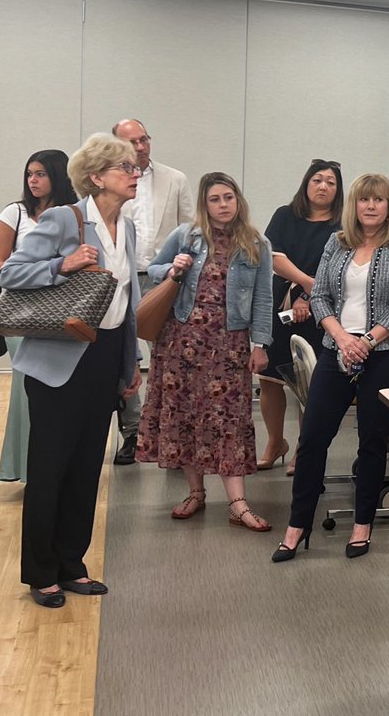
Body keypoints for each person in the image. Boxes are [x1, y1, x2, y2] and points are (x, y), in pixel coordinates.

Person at [0, 133, 142, 608]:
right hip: (60, 359)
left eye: (135, 166)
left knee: (85, 468)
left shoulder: (129, 226)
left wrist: (129, 363)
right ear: (97, 177)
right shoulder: (64, 218)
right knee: (50, 466)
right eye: (125, 167)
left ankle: (71, 564)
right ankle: (41, 573)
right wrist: (63, 263)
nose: (135, 172)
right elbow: (10, 272)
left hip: (104, 355)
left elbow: (126, 302)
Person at [272, 173, 389, 563]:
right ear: (354, 206)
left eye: (379, 200)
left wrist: (367, 341)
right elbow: (318, 294)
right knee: (313, 439)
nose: (371, 206)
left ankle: (362, 524)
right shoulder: (337, 243)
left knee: (372, 440)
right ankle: (297, 525)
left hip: (386, 354)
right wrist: (342, 339)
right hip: (336, 350)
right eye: (364, 200)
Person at [135, 172, 274, 531]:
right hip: (181, 341)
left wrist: (260, 344)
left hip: (228, 345)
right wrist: (172, 268)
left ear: (238, 200)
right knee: (185, 416)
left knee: (230, 420)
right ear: (204, 204)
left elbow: (263, 298)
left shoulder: (256, 243)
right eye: (215, 199)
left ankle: (238, 503)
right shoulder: (186, 237)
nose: (223, 205)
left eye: (228, 197)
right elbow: (152, 270)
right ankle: (195, 492)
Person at [0, 150, 77, 483]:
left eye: (41, 174)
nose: (33, 180)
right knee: (27, 393)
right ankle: (27, 470)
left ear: (59, 176)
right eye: (29, 174)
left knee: (62, 395)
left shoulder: (74, 213)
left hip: (63, 317)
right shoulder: (16, 213)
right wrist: (49, 272)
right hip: (20, 316)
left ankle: (59, 469)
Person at [111, 118, 194, 464]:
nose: (141, 147)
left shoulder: (175, 179)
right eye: (132, 142)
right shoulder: (108, 183)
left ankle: (176, 437)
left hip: (164, 280)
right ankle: (132, 434)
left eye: (144, 139)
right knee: (124, 357)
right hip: (121, 279)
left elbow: (191, 231)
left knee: (172, 358)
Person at [257, 159, 344, 475]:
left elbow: (339, 266)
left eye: (331, 182)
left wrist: (309, 296)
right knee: (270, 380)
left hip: (323, 311)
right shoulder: (285, 215)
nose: (323, 186)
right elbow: (273, 256)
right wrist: (305, 285)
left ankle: (303, 450)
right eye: (318, 180)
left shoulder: (343, 225)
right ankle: (274, 442)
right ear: (306, 183)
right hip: (279, 304)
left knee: (311, 384)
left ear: (338, 190)